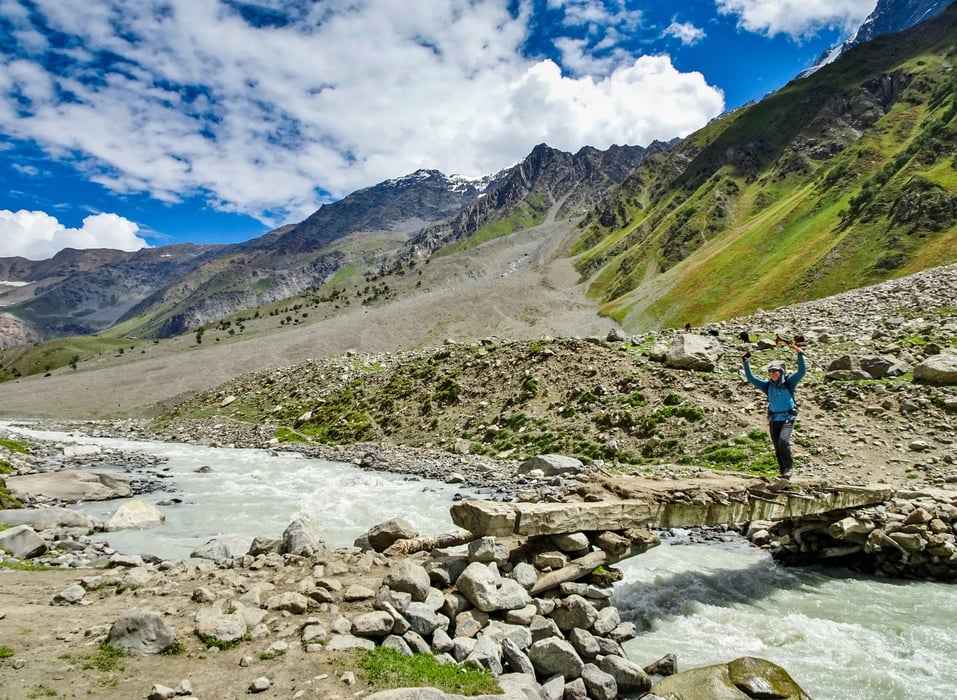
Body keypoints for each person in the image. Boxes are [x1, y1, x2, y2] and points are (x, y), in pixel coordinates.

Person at [742, 341, 806, 480]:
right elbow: (751, 379)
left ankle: (789, 469)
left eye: (775, 372)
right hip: (773, 419)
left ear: (781, 372)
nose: (772, 374)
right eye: (770, 372)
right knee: (777, 446)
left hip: (788, 417)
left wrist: (799, 354)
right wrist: (745, 362)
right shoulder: (767, 386)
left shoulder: (789, 382)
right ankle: (783, 472)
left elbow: (801, 372)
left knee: (783, 442)